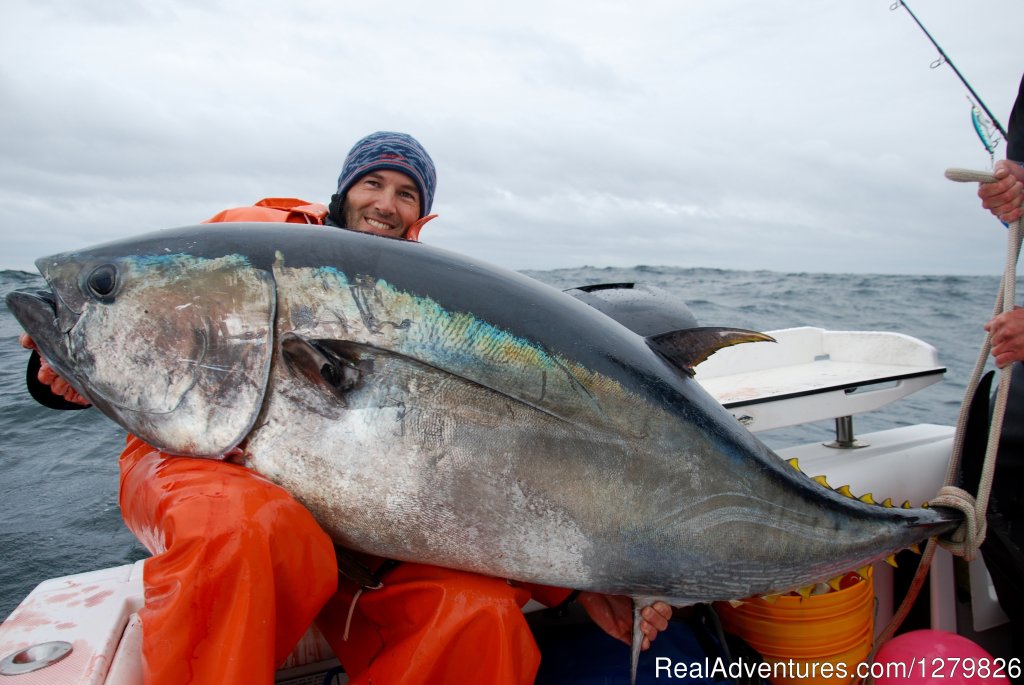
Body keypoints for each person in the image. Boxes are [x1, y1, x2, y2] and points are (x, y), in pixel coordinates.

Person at [22, 131, 673, 685]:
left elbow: (484, 460)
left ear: (422, 215)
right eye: (375, 183)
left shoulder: (431, 306)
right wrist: (56, 363)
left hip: (359, 507)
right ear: (343, 189)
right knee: (244, 524)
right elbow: (131, 318)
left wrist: (580, 577)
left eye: (406, 193)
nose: (386, 203)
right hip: (199, 464)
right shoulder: (245, 237)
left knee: (476, 612)